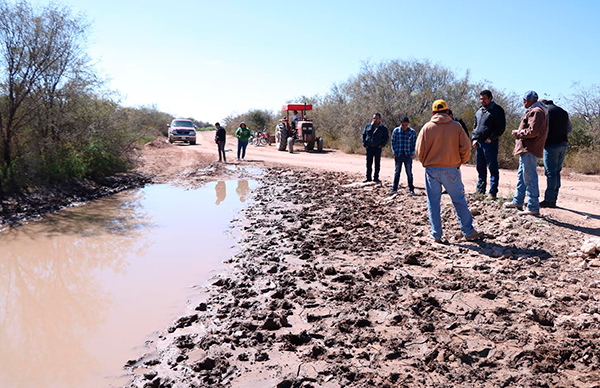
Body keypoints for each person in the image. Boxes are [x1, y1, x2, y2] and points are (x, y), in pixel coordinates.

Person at [416, 99, 480, 243]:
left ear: (433, 113)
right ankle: (468, 232)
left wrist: (426, 162)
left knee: (433, 203)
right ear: (446, 111)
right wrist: (459, 162)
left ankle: (436, 235)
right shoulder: (456, 126)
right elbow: (466, 147)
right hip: (451, 169)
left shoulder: (427, 127)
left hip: (431, 170)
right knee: (459, 201)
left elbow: (419, 151)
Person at [505, 91, 548, 216]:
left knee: (530, 178)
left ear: (530, 100)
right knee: (522, 177)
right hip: (526, 149)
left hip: (530, 149)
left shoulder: (536, 112)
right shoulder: (536, 111)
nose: (523, 102)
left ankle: (533, 206)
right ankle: (518, 201)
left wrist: (519, 133)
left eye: (525, 99)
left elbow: (533, 132)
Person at [472, 90, 506, 200]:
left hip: (490, 144)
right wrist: (474, 139)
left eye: (484, 99)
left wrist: (491, 138)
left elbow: (501, 128)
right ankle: (480, 191)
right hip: (479, 144)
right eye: (481, 99)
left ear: (490, 98)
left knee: (492, 168)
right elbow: (475, 126)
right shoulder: (479, 111)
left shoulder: (497, 110)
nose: (482, 101)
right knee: (480, 168)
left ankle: (492, 193)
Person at [539, 99, 572, 208]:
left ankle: (549, 200)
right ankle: (554, 199)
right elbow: (569, 129)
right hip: (563, 143)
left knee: (550, 173)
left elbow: (545, 129)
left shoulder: (546, 111)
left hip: (551, 145)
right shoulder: (563, 112)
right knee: (557, 171)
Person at [390, 116, 416, 195]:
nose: (404, 126)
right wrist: (394, 152)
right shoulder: (396, 131)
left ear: (408, 124)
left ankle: (411, 189)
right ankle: (394, 188)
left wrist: (412, 153)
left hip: (408, 155)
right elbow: (393, 142)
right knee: (397, 172)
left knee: (409, 172)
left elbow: (414, 143)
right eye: (403, 125)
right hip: (399, 154)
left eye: (406, 125)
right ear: (400, 124)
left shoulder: (412, 132)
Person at [361, 112, 389, 184]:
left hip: (377, 148)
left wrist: (382, 145)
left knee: (377, 163)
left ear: (380, 119)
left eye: (376, 118)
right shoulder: (368, 126)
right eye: (374, 118)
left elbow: (386, 138)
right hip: (369, 147)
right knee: (368, 163)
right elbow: (363, 135)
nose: (375, 120)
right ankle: (368, 178)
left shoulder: (383, 128)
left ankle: (376, 178)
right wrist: (365, 144)